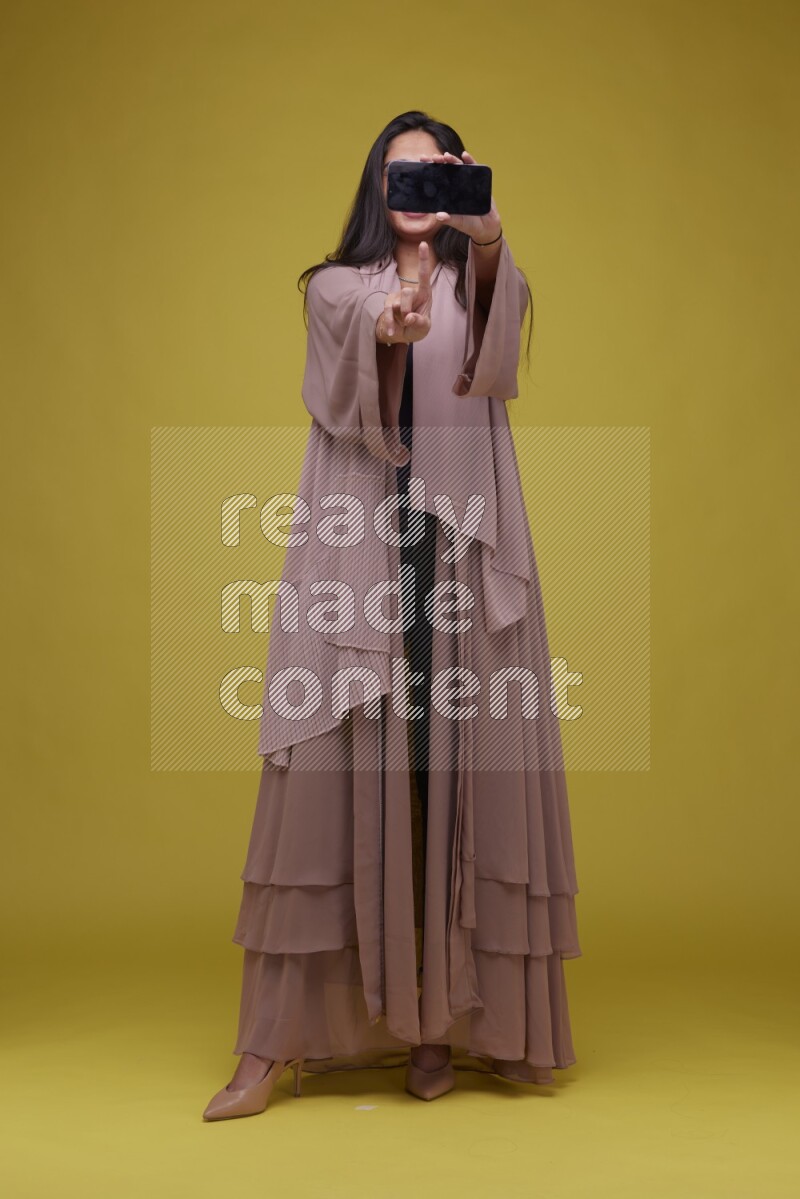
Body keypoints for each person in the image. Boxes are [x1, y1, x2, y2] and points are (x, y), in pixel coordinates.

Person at [203, 110, 581, 1121]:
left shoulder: (480, 279)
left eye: (435, 172)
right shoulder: (336, 284)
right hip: (359, 543)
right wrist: (392, 324)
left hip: (460, 548)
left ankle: (438, 1025)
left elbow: (496, 355)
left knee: (449, 768)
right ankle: (269, 1042)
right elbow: (355, 344)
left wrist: (486, 237)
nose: (416, 190)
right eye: (399, 173)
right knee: (334, 769)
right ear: (375, 186)